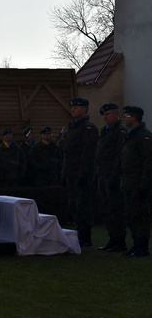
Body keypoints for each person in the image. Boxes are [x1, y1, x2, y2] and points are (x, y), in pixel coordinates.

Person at [115, 106, 152, 257]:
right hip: (128, 183)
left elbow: (148, 162)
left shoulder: (144, 136)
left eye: (126, 116)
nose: (124, 119)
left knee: (140, 215)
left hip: (138, 184)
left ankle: (142, 246)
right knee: (131, 215)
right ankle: (136, 244)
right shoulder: (129, 136)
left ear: (133, 117)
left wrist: (144, 184)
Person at [60, 98, 98, 247]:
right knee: (74, 205)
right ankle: (79, 232)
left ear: (84, 109)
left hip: (81, 173)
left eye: (76, 107)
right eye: (72, 107)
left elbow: (87, 154)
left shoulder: (88, 128)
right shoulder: (72, 127)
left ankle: (85, 236)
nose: (73, 110)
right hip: (71, 172)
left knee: (83, 205)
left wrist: (83, 174)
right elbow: (67, 152)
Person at [96, 103, 126, 252]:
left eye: (108, 114)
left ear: (115, 114)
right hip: (102, 174)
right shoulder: (105, 131)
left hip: (112, 175)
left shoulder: (119, 131)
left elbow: (120, 155)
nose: (105, 117)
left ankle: (120, 240)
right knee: (105, 208)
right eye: (104, 115)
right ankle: (112, 238)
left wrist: (115, 175)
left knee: (115, 208)